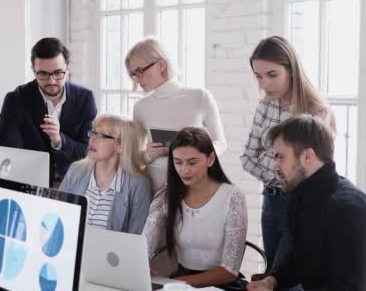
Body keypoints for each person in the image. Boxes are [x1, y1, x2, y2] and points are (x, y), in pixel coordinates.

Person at [247, 115, 366, 291]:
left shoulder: (348, 209)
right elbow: (300, 261)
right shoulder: (299, 196)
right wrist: (272, 281)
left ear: (308, 156)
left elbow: (347, 288)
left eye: (281, 157)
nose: (275, 165)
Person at [240, 36, 336, 272]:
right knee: (273, 274)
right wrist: (284, 167)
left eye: (272, 75)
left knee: (293, 275)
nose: (264, 84)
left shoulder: (315, 112)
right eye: (258, 76)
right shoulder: (265, 106)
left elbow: (311, 173)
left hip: (302, 204)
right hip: (271, 202)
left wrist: (271, 161)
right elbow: (247, 158)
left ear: (291, 70)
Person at [144, 127, 248, 290]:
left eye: (192, 162)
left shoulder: (233, 198)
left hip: (222, 285)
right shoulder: (166, 195)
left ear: (210, 159)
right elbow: (146, 242)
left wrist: (181, 283)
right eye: (178, 162)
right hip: (182, 282)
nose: (184, 169)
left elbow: (229, 271)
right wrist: (141, 264)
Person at [125, 37, 226, 195]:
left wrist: (196, 155)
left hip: (194, 186)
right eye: (133, 75)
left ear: (162, 65)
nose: (138, 79)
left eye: (140, 71)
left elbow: (220, 143)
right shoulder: (141, 107)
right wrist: (148, 155)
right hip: (154, 188)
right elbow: (134, 158)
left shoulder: (199, 96)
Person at [0, 37, 97, 187]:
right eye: (43, 74)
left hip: (73, 184)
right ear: (33, 71)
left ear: (68, 69)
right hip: (29, 185)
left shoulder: (85, 98)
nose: (51, 81)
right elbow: (5, 151)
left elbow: (87, 151)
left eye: (58, 73)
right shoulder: (16, 100)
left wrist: (58, 140)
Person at [59, 115, 152, 234]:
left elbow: (135, 239)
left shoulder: (139, 185)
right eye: (93, 133)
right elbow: (58, 217)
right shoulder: (76, 170)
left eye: (101, 136)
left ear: (121, 146)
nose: (92, 140)